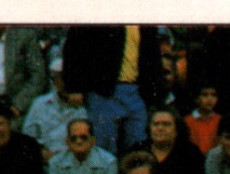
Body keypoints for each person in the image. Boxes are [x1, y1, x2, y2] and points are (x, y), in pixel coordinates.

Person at [59, 25, 169, 156]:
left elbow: (153, 55)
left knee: (138, 147)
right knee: (104, 149)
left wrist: (155, 91)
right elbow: (74, 45)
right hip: (103, 90)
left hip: (137, 91)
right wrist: (74, 87)